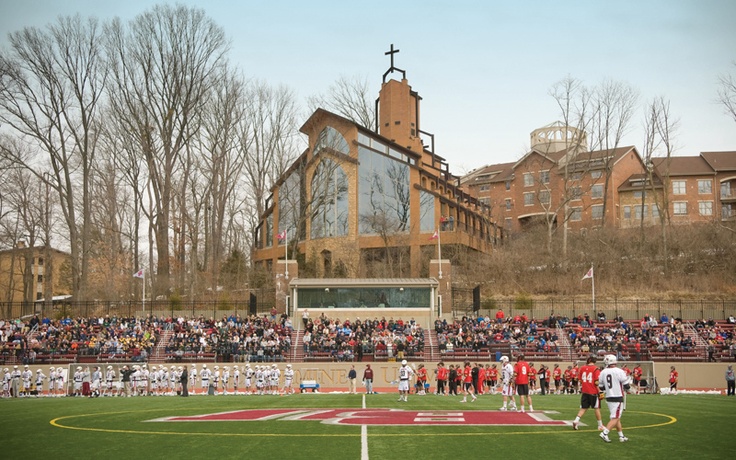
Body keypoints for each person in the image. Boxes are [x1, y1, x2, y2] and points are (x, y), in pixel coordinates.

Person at [598, 354, 632, 443]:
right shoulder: (619, 371)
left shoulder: (603, 372)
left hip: (609, 397)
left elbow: (601, 387)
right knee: (615, 418)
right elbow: (626, 385)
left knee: (616, 417)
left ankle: (621, 436)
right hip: (617, 396)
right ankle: (604, 433)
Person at [572, 357, 604, 431]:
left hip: (585, 391)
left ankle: (576, 420)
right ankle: (600, 425)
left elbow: (579, 379)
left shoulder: (582, 368)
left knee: (583, 408)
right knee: (597, 408)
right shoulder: (596, 369)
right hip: (593, 391)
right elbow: (596, 382)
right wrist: (599, 391)